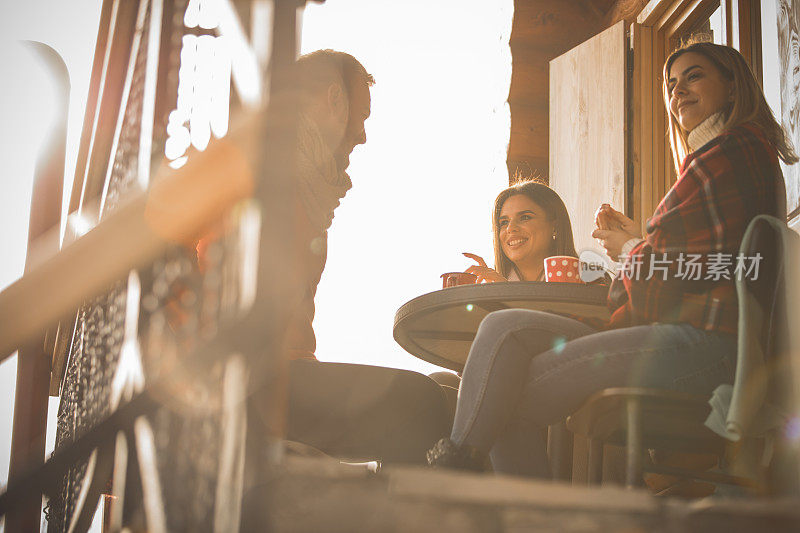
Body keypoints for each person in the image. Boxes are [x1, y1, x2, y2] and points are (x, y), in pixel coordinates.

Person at [426, 42, 794, 477]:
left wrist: (630, 250)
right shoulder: (732, 155)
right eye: (671, 85)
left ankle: (489, 492)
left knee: (505, 399)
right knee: (502, 325)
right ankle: (466, 468)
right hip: (699, 337)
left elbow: (662, 282)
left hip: (708, 345)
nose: (678, 92)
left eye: (694, 76)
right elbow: (694, 263)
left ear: (733, 88)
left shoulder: (727, 153)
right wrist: (641, 241)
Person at [261, 49, 451, 465]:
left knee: (444, 394)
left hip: (285, 376)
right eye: (362, 117)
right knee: (419, 403)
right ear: (334, 99)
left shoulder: (309, 192)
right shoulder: (263, 176)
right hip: (254, 384)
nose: (362, 135)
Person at [463, 180, 577, 283]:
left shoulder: (590, 283)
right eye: (504, 222)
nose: (510, 228)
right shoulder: (487, 292)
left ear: (555, 226)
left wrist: (508, 295)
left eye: (525, 217)